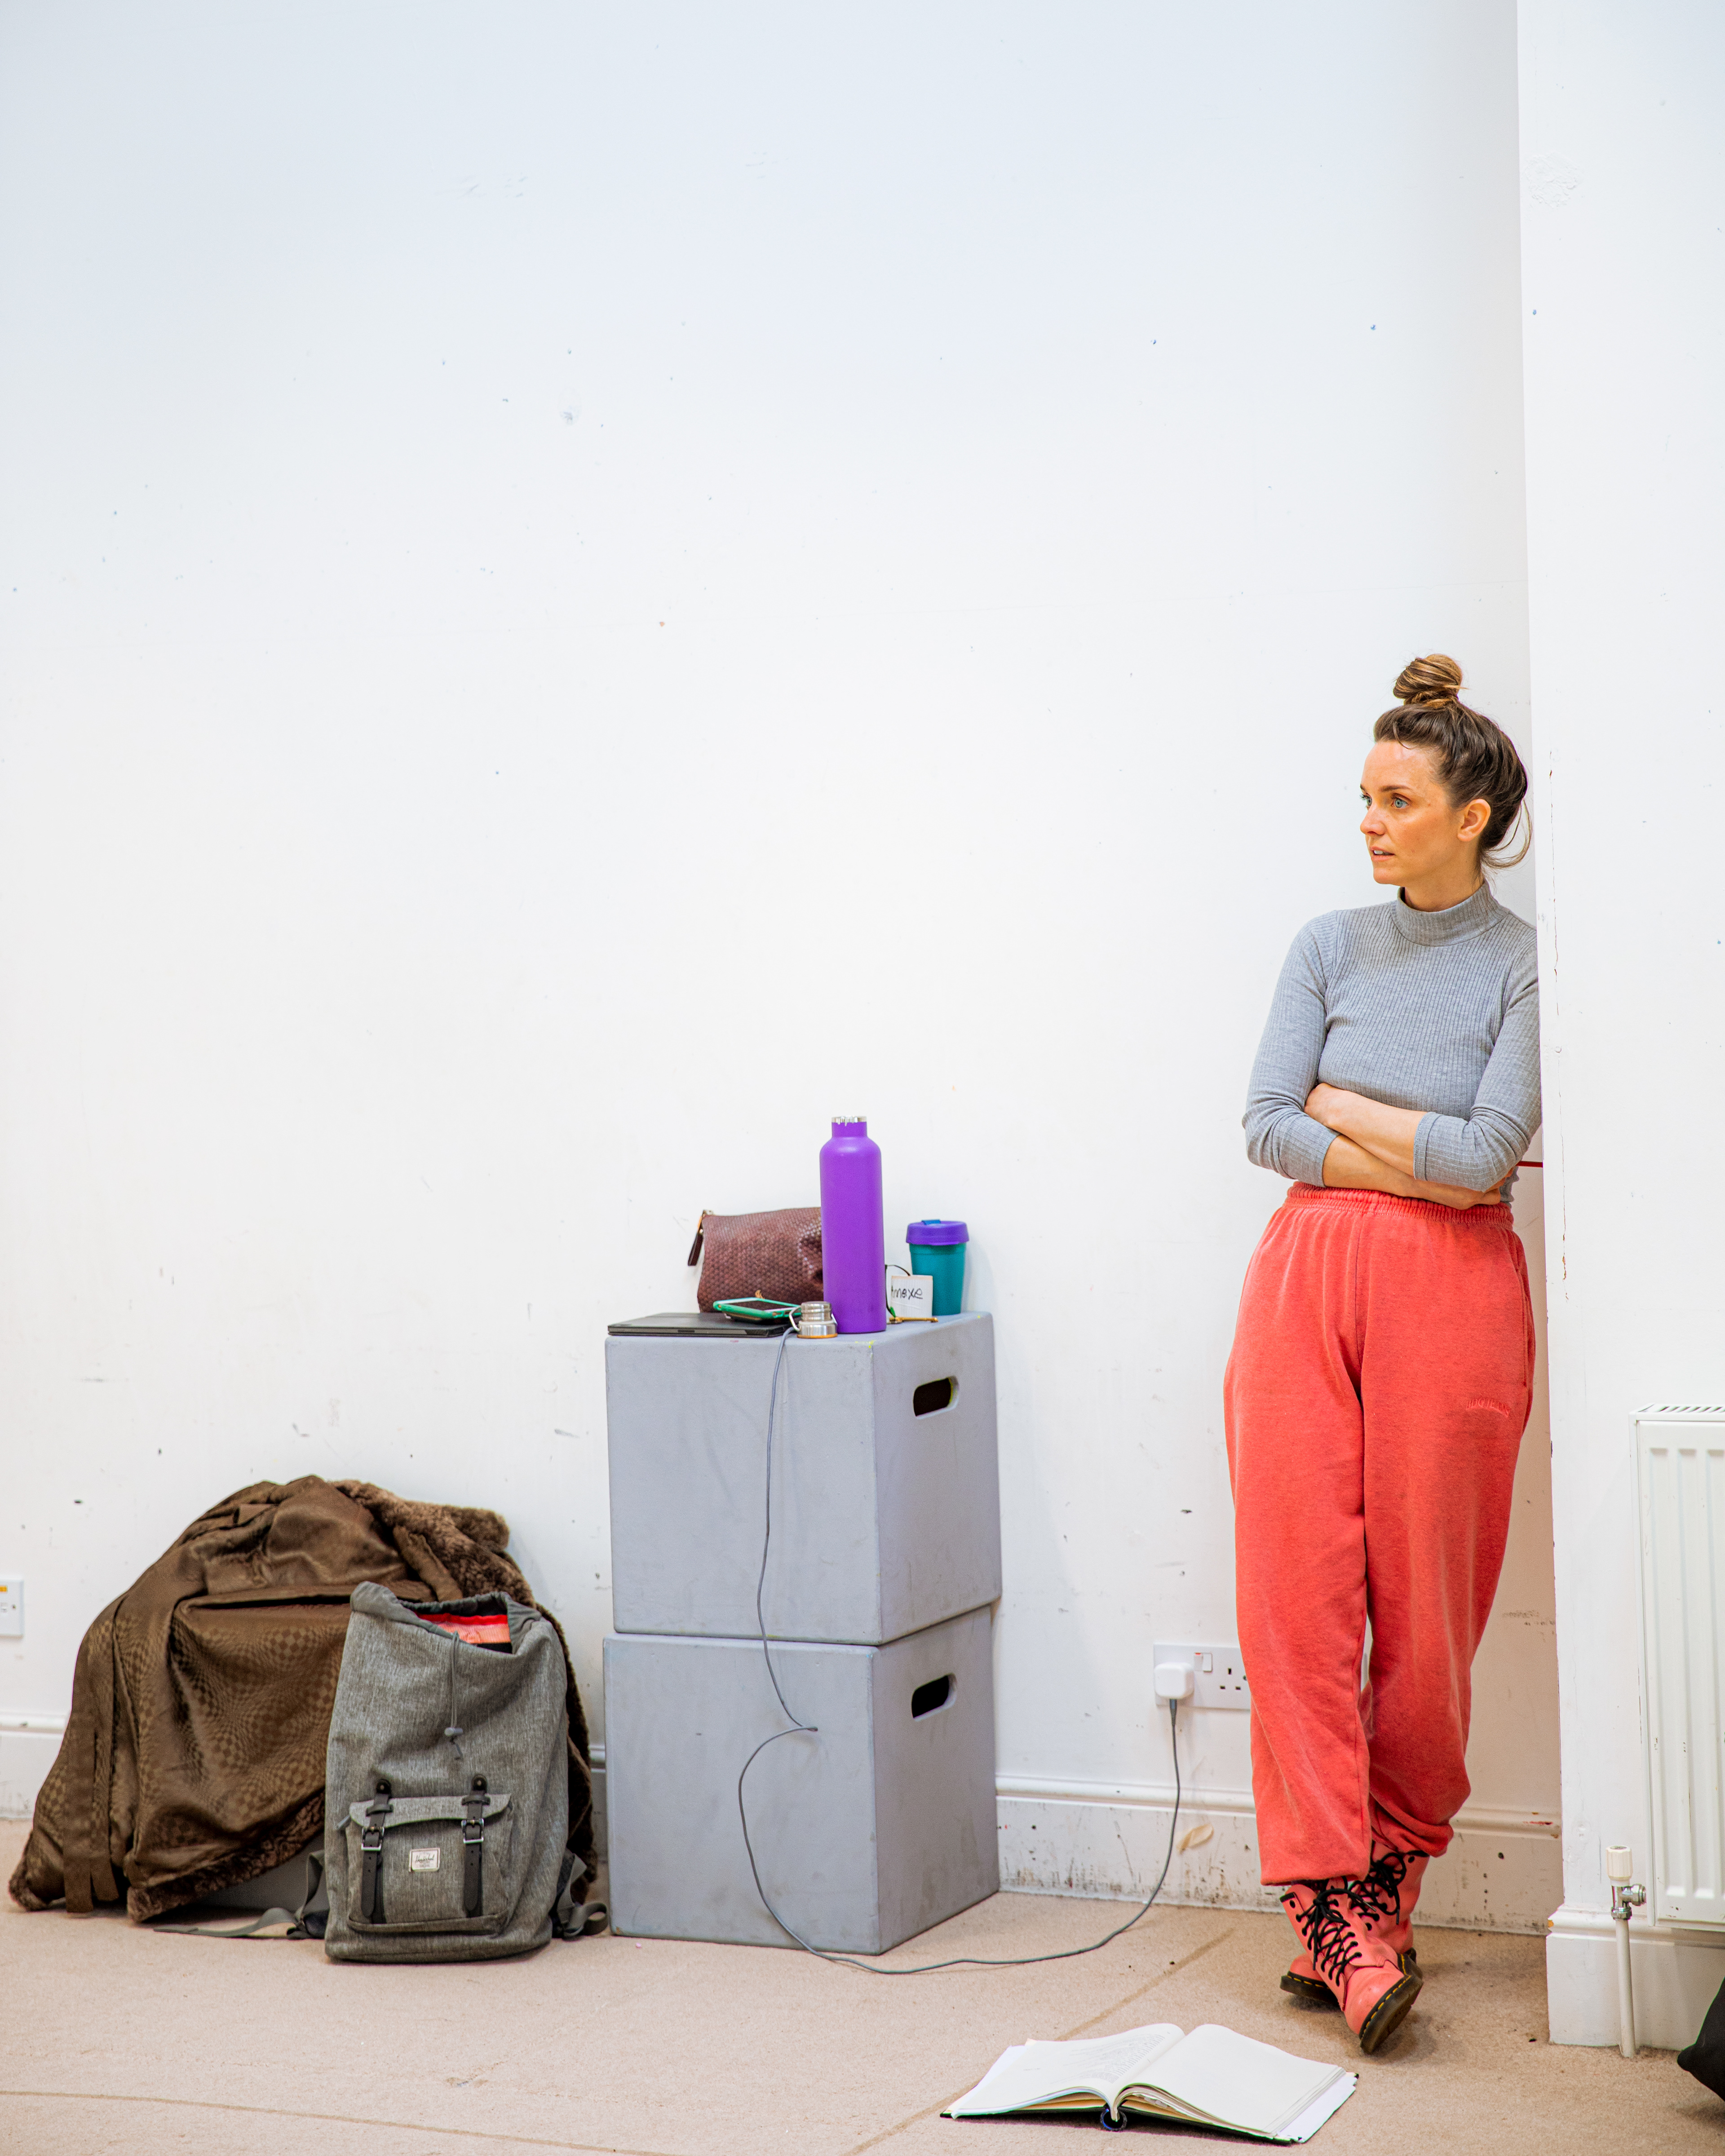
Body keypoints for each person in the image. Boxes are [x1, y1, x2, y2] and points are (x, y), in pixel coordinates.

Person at [1226, 654, 1539, 2056]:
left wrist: (1345, 1107)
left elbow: (1492, 1156)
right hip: (1304, 1278)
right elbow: (1265, 1123)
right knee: (1293, 1597)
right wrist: (1426, 1155)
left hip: (1457, 1296)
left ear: (1471, 817)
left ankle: (1378, 1895)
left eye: (1397, 800)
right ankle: (1331, 1907)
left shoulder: (1523, 963)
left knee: (1429, 1610)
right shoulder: (1327, 945)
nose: (1369, 821)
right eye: (1364, 796)